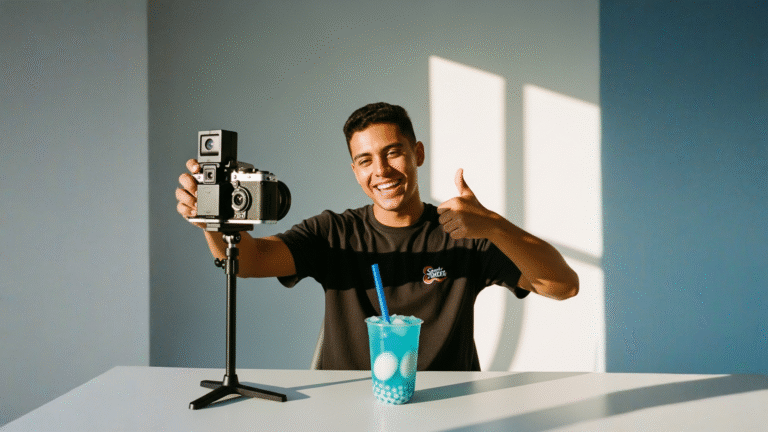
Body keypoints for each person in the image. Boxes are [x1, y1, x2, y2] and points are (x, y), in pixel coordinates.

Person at [176, 102, 578, 371]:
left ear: (418, 153)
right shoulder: (334, 232)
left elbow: (563, 286)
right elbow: (249, 262)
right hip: (347, 408)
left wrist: (494, 224)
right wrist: (213, 222)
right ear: (355, 170)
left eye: (393, 152)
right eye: (365, 160)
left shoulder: (464, 231)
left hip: (448, 406)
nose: (381, 170)